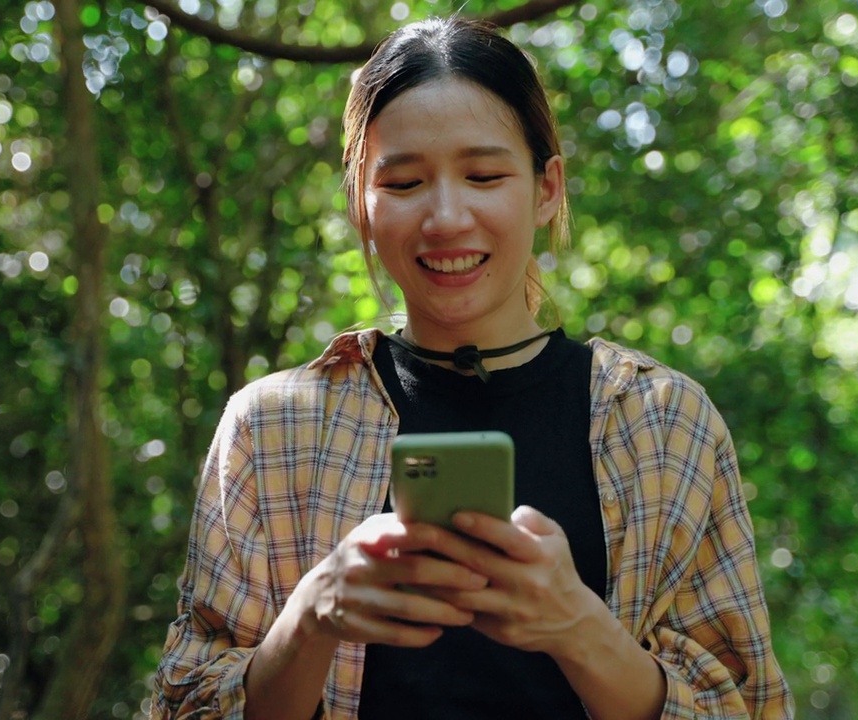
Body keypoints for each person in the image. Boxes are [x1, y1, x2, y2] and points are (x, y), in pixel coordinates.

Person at [152, 16, 794, 720]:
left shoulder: (664, 423)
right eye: (403, 184)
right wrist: (312, 615)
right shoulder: (274, 428)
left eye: (484, 175)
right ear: (361, 205)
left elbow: (746, 707)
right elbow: (188, 704)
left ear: (547, 189)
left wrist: (579, 628)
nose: (446, 217)